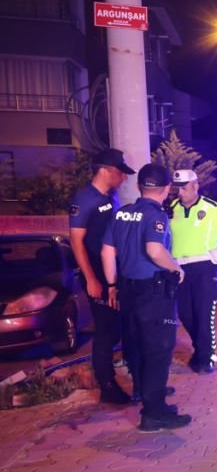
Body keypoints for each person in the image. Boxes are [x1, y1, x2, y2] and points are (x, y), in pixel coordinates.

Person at [101, 164, 191, 432]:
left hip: (127, 289)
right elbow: (154, 250)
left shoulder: (122, 214)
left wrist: (111, 285)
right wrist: (176, 267)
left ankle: (147, 396)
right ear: (165, 189)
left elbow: (107, 252)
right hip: (153, 292)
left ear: (141, 187)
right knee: (158, 350)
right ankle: (154, 413)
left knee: (137, 346)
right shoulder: (156, 216)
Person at [68, 148, 138, 405]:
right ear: (106, 170)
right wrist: (91, 279)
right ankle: (107, 386)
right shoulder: (85, 199)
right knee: (106, 331)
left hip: (115, 273)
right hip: (97, 272)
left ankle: (139, 381)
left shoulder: (112, 196)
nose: (124, 178)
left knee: (124, 327)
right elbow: (77, 242)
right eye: (121, 172)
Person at [168, 169, 217, 374]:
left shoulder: (212, 208)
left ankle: (206, 358)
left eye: (185, 188)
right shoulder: (171, 208)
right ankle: (200, 349)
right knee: (186, 314)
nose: (181, 193)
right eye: (177, 189)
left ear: (196, 186)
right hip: (179, 269)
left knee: (204, 314)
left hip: (205, 267)